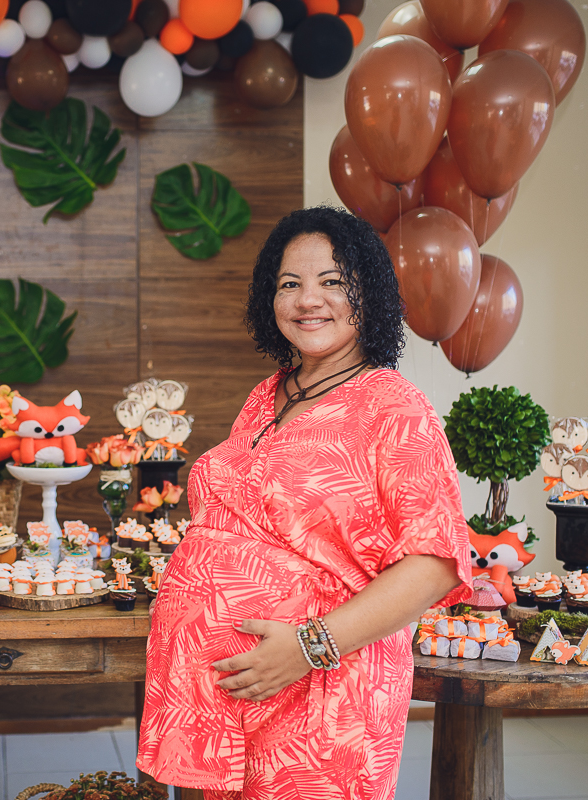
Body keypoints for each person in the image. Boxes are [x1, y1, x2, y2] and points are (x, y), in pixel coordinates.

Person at [137, 206, 473, 799]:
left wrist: (307, 648)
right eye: (289, 284)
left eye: (332, 282)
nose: (306, 299)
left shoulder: (395, 408)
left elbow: (436, 564)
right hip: (219, 697)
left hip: (321, 691)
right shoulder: (267, 396)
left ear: (367, 295)